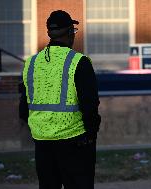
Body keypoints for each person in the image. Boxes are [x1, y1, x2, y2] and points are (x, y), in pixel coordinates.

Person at [19, 10, 101, 189]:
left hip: (42, 143)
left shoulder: (31, 63)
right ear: (71, 32)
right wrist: (91, 134)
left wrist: (42, 129)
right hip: (75, 142)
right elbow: (90, 104)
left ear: (49, 33)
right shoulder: (80, 62)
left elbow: (23, 108)